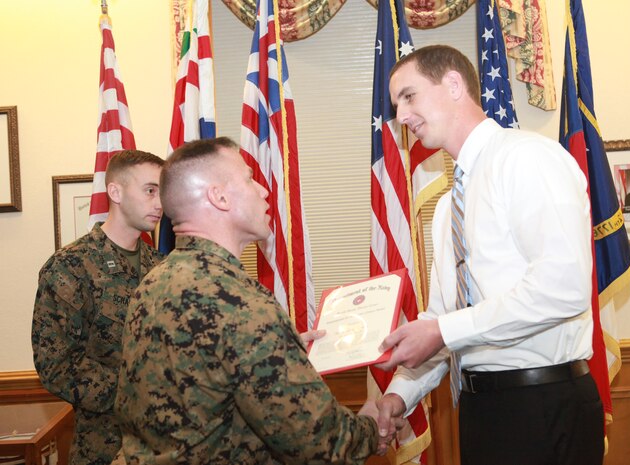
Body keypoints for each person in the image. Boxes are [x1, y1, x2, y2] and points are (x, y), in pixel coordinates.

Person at [374, 45, 604, 465]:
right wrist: (397, 394)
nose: (401, 116)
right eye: (396, 105)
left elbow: (563, 287)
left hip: (544, 405)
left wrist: (443, 331)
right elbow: (442, 316)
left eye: (409, 96)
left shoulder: (526, 158)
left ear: (454, 84)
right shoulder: (447, 208)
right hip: (481, 411)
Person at [114, 137, 402, 465]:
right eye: (250, 179)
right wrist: (370, 428)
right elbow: (319, 444)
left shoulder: (152, 283)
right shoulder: (240, 304)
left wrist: (280, 349)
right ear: (219, 197)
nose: (264, 191)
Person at [32, 150, 164, 465]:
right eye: (150, 190)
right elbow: (56, 366)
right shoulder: (71, 266)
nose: (160, 203)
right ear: (115, 192)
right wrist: (134, 393)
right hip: (105, 447)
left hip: (164, 447)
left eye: (163, 192)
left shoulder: (162, 267)